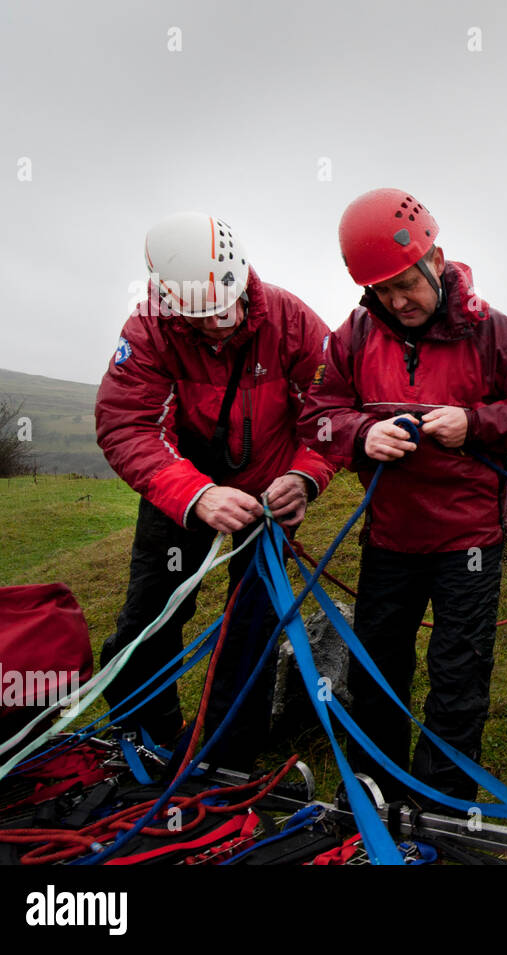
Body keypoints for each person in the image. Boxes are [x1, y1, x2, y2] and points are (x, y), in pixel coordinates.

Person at [298, 188, 507, 806]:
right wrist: (364, 433)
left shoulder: (496, 333)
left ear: (436, 261)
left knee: (458, 672)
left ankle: (441, 804)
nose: (397, 302)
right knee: (376, 667)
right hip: (389, 536)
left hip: (468, 541)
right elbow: (317, 414)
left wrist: (474, 423)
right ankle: (375, 790)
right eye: (381, 291)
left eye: (405, 285)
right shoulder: (355, 336)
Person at [95, 212, 334, 766]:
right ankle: (146, 738)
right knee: (152, 614)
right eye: (202, 318)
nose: (220, 325)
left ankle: (229, 757)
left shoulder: (292, 320)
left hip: (270, 495)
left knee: (252, 622)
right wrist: (196, 496)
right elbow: (127, 425)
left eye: (226, 310)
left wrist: (304, 477)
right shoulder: (149, 330)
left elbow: (331, 412)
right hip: (180, 491)